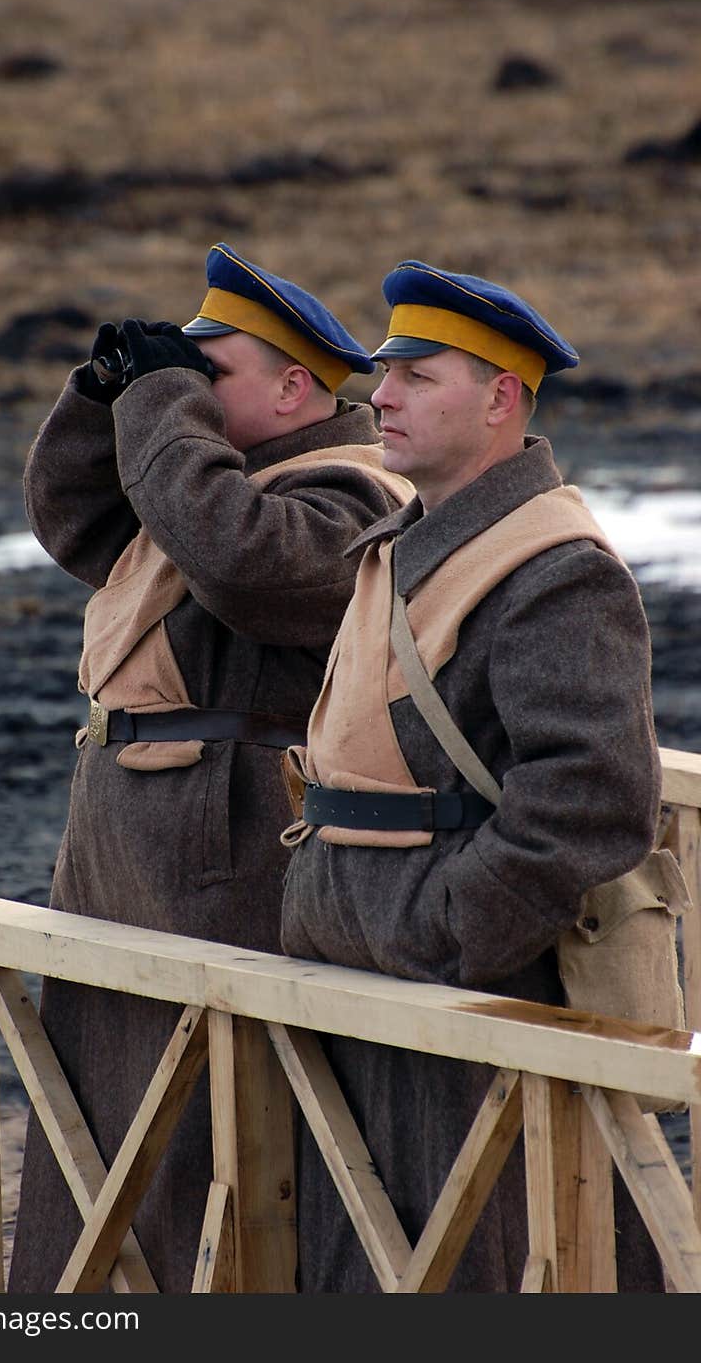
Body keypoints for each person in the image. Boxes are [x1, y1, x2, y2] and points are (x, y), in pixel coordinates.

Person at [7, 242, 414, 1292]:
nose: (180, 389)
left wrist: (157, 407)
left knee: (209, 1144)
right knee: (100, 1125)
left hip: (226, 863)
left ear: (293, 388)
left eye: (208, 371)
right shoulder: (201, 482)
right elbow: (76, 518)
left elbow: (239, 560)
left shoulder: (357, 498)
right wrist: (105, 395)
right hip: (128, 859)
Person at [279, 259, 665, 1292]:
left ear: (499, 398)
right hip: (366, 966)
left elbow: (590, 797)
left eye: (416, 374)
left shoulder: (556, 570)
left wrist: (448, 924)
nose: (379, 394)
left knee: (475, 1267)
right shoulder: (406, 541)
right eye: (381, 372)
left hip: (467, 990)